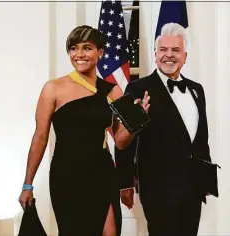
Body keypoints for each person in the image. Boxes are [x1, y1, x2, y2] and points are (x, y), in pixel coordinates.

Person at [18, 25, 150, 236]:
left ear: (101, 52)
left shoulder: (112, 90)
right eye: (74, 48)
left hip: (102, 173)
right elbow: (40, 137)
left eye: (87, 48)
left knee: (110, 233)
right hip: (67, 174)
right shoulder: (53, 88)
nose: (79, 54)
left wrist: (138, 119)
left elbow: (121, 141)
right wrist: (28, 184)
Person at [116, 22, 212, 236]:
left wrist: (205, 176)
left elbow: (201, 137)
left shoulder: (197, 90)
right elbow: (123, 141)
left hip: (192, 187)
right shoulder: (138, 88)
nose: (169, 55)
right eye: (163, 50)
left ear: (185, 57)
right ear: (155, 54)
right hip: (158, 187)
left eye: (176, 50)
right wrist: (125, 183)